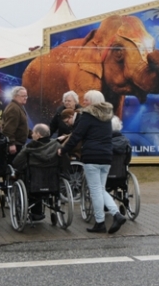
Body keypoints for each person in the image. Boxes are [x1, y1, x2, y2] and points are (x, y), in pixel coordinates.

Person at [59, 90, 126, 234]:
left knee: (95, 190)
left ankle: (101, 222)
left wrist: (63, 150)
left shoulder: (87, 116)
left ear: (93, 101)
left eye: (87, 100)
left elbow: (77, 135)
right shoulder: (107, 117)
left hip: (92, 156)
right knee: (100, 189)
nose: (84, 102)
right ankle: (116, 214)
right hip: (107, 156)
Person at [12, 123, 62, 221]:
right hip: (52, 182)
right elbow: (64, 162)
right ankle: (41, 211)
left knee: (23, 176)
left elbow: (16, 162)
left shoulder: (29, 147)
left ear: (39, 134)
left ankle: (34, 212)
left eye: (34, 133)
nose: (32, 135)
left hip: (34, 183)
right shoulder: (56, 145)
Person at [2, 86, 30, 158]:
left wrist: (33, 134)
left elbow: (21, 126)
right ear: (15, 96)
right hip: (15, 145)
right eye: (23, 96)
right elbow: (8, 129)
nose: (25, 98)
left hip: (18, 143)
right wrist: (11, 144)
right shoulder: (14, 108)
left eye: (26, 96)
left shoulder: (18, 107)